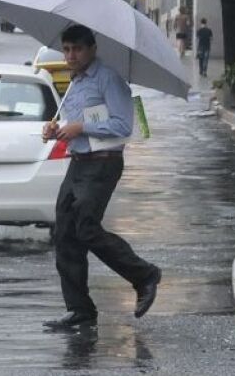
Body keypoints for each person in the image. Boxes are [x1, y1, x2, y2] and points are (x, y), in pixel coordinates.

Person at [41, 24, 162, 331]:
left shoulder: (108, 78)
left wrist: (80, 127)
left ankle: (144, 275)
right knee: (65, 232)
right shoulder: (74, 81)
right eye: (66, 49)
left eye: (77, 49)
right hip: (78, 161)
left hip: (103, 163)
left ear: (92, 49)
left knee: (86, 227)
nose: (71, 55)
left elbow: (122, 125)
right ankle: (79, 308)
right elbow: (75, 123)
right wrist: (56, 130)